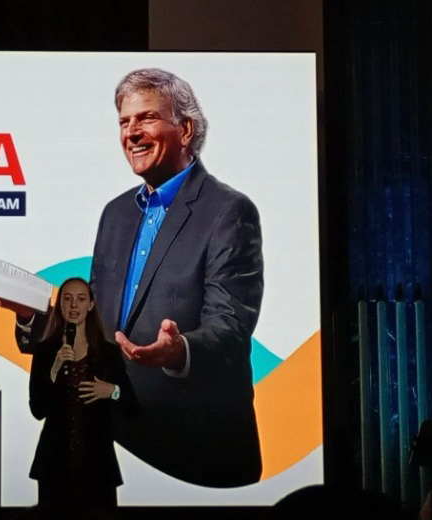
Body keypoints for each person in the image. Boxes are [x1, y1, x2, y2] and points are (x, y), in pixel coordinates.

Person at [17, 68, 263, 487]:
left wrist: (179, 350)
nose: (131, 133)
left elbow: (231, 326)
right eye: (124, 122)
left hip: (193, 454)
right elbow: (93, 323)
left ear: (185, 130)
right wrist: (31, 317)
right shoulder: (115, 214)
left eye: (146, 118)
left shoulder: (229, 211)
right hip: (113, 442)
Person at [29, 278, 134, 515]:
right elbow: (37, 409)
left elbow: (132, 406)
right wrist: (54, 369)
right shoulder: (45, 351)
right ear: (60, 305)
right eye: (67, 299)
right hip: (54, 466)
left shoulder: (107, 352)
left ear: (91, 305)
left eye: (81, 298)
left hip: (98, 466)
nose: (74, 305)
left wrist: (112, 391)